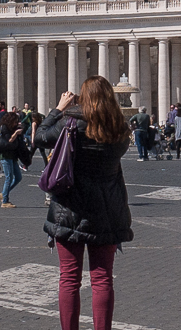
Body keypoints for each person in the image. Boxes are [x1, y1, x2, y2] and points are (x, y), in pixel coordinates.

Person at [33, 76, 133, 330]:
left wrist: (58, 109)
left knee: (69, 278)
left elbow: (40, 137)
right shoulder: (120, 129)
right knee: (102, 279)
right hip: (108, 209)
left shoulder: (71, 124)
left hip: (70, 207)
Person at [0, 111, 32, 208]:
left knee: (18, 177)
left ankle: (3, 193)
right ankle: (5, 201)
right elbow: (9, 141)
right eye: (15, 121)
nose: (16, 123)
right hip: (6, 155)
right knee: (8, 178)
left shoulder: (13, 127)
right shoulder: (4, 128)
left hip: (13, 155)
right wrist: (15, 133)